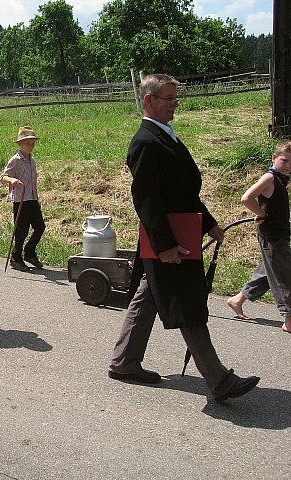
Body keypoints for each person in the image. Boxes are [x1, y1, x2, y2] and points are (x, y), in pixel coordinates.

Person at [108, 74, 259, 402]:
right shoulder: (145, 142)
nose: (176, 103)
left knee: (149, 296)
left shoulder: (165, 137)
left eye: (176, 97)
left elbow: (182, 192)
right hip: (167, 240)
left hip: (172, 236)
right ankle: (219, 381)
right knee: (185, 304)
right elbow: (147, 200)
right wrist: (163, 247)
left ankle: (124, 361)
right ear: (149, 101)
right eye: (169, 98)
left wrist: (209, 224)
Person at [227, 140, 291, 334]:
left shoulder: (280, 179)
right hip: (271, 236)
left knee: (270, 271)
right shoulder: (270, 178)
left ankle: (237, 300)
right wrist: (261, 214)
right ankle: (288, 319)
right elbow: (247, 197)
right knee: (284, 277)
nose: (288, 165)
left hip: (279, 233)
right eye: (284, 160)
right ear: (274, 158)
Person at [0, 126, 46, 271]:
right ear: (19, 144)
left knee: (40, 227)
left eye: (32, 143)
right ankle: (16, 257)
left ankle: (29, 252)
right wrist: (11, 180)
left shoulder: (32, 161)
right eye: (27, 143)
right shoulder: (15, 160)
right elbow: (3, 177)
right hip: (20, 200)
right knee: (21, 230)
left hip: (32, 198)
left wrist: (36, 196)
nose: (30, 146)